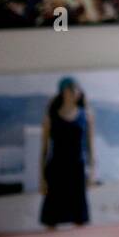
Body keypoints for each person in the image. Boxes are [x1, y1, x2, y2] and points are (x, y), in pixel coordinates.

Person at [39, 76, 95, 228]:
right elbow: (44, 149)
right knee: (51, 220)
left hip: (77, 169)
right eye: (71, 89)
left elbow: (90, 147)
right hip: (56, 170)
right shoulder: (50, 117)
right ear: (63, 92)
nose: (75, 92)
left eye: (77, 89)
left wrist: (92, 171)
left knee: (80, 219)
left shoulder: (86, 115)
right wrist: (42, 178)